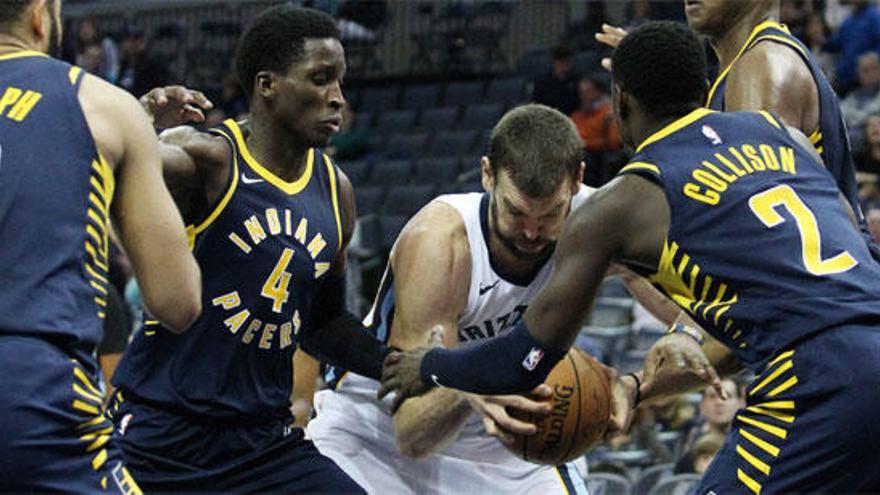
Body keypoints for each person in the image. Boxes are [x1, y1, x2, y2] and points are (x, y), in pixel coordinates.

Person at [381, 21, 880, 493]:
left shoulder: (625, 200)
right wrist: (639, 385)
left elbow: (525, 362)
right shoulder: (783, 136)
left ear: (619, 100)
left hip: (819, 381)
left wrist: (431, 366)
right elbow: (845, 254)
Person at [107, 6, 391, 493]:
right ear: (267, 85)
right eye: (321, 79)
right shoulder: (208, 157)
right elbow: (104, 156)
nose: (337, 98)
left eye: (340, 81)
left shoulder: (335, 190)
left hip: (263, 445)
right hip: (163, 436)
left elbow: (322, 324)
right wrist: (133, 121)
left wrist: (407, 366)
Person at [307, 104, 593, 494]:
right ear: (487, 174)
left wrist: (670, 351)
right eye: (516, 212)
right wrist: (473, 378)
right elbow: (412, 433)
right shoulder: (441, 243)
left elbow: (689, 301)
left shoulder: (598, 224)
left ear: (577, 181)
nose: (531, 232)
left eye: (549, 214)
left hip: (504, 440)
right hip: (380, 431)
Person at [0, 0, 201, 492]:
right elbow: (178, 303)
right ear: (41, 15)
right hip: (30, 391)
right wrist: (137, 161)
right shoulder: (101, 104)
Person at [597, 0, 873, 255]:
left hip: (824, 290)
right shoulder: (746, 66)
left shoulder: (762, 65)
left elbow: (758, 229)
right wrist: (655, 72)